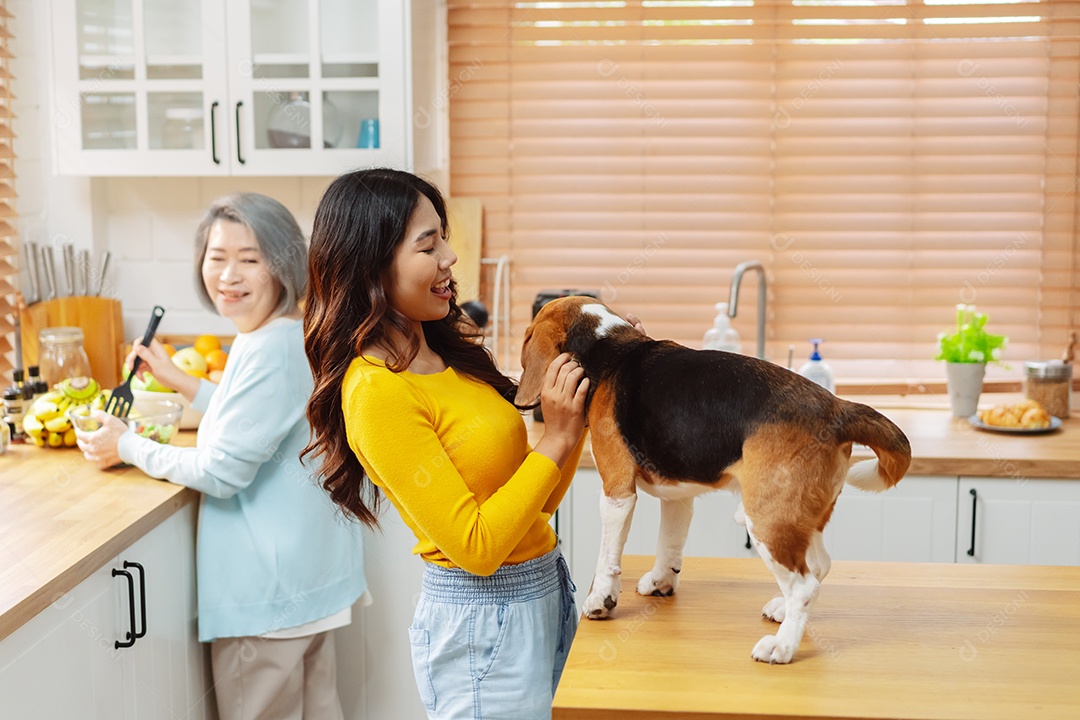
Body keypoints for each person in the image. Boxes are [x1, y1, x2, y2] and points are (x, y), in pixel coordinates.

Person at [303, 168, 597, 720]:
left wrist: (572, 418)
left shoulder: (449, 356)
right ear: (372, 263)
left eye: (444, 237)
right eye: (428, 244)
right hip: (483, 626)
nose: (450, 257)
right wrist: (556, 437)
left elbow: (536, 505)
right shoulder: (377, 391)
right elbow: (478, 548)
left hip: (544, 592)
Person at [74, 193, 367, 720]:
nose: (228, 274)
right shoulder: (282, 336)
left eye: (249, 258)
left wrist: (125, 444)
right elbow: (259, 423)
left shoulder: (269, 348)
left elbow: (221, 470)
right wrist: (181, 381)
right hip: (306, 585)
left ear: (282, 265)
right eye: (216, 257)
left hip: (266, 596)